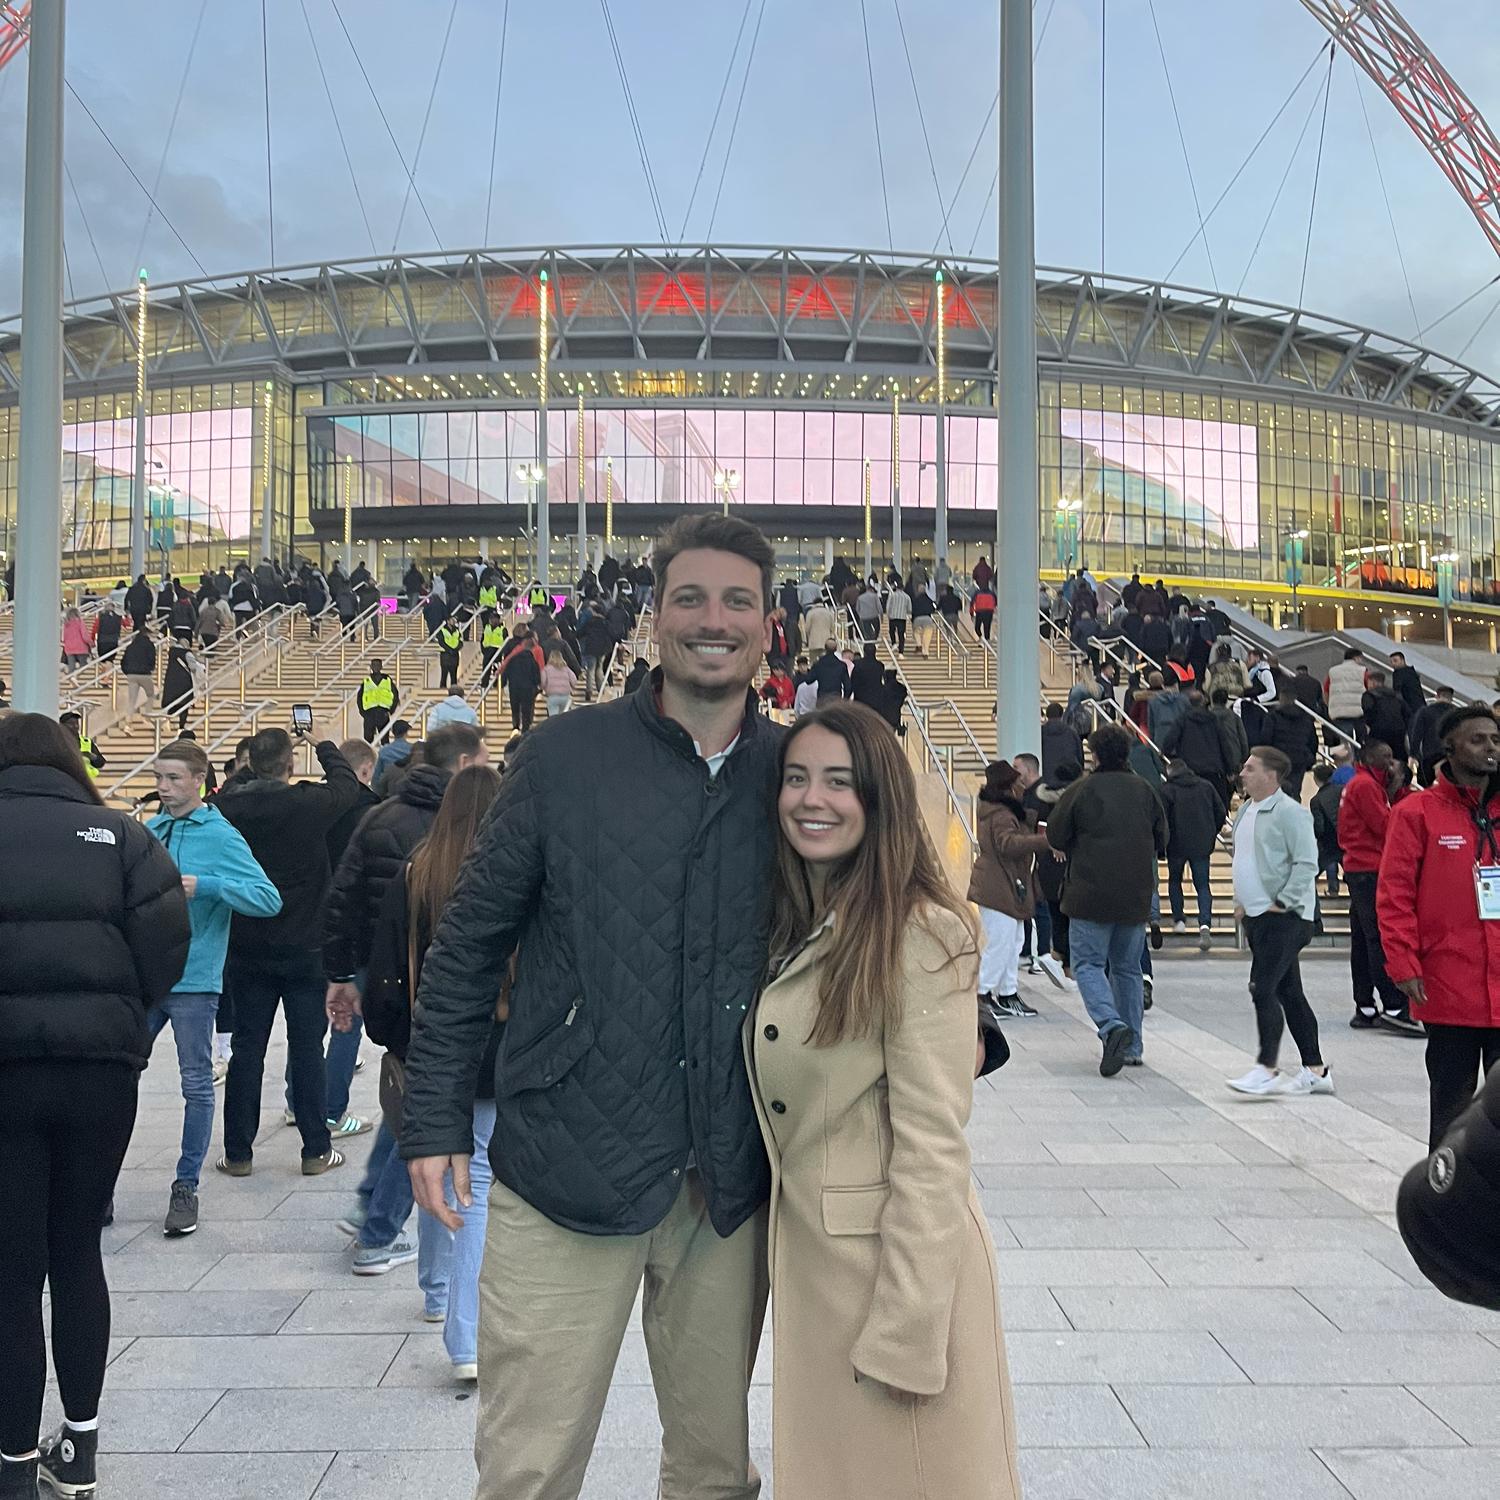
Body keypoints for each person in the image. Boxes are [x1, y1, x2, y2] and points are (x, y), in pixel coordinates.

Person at [399, 515, 788, 1500]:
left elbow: (880, 928)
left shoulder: (797, 775)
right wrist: (435, 1119)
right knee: (529, 1466)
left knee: (714, 1472)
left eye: (737, 600)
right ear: (654, 618)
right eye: (690, 597)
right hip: (566, 1166)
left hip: (727, 1181)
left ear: (769, 623)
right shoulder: (565, 758)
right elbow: (466, 950)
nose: (714, 619)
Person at [747, 700, 1023, 1499]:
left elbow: (936, 1142)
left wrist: (907, 1332)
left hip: (894, 1286)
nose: (811, 798)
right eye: (796, 778)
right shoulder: (801, 917)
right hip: (824, 1281)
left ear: (880, 798)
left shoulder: (921, 930)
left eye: (840, 781)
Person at [0, 714, 190, 1500]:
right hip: (98, 1072)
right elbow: (166, 946)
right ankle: (79, 1450)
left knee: (10, 1272)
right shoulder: (123, 837)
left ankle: (12, 1466)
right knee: (77, 1249)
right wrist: (121, 1015)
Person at [322, 724, 488, 1276]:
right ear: (465, 764)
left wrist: (342, 971)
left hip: (387, 975)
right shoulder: (463, 830)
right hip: (436, 986)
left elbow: (342, 897)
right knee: (425, 1119)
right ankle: (378, 1231)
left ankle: (370, 1200)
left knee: (405, 1105)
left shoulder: (382, 813)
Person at [361, 764, 504, 1379]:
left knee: (436, 1163)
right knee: (476, 1178)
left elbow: (387, 972)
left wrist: (397, 1039)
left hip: (429, 1043)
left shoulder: (417, 873)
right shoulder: (508, 870)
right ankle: (466, 1337)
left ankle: (437, 1290)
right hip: (495, 1046)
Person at [145, 739, 281, 1237]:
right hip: (144, 976)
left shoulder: (222, 834)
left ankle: (186, 1186)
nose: (164, 787)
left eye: (174, 778)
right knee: (114, 1078)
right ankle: (98, 1183)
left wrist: (208, 886)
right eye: (159, 777)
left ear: (199, 780)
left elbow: (267, 899)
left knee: (196, 1084)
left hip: (195, 980)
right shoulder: (150, 830)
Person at [215, 727, 363, 1176]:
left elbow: (230, 788)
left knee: (247, 1050)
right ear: (290, 764)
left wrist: (248, 770)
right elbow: (347, 785)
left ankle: (238, 1153)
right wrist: (322, 742)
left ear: (249, 762)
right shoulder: (306, 804)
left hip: (248, 945)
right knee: (306, 1049)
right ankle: (316, 1149)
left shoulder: (229, 807)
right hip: (306, 945)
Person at [1379, 705, 1500, 1148]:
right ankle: (1446, 1201)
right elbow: (1394, 894)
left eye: (1495, 740)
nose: (1490, 748)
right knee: (1451, 1108)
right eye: (1478, 740)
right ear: (1450, 748)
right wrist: (1403, 961)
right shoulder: (1418, 813)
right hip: (1449, 984)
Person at [1045, 725, 1167, 1075]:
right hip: (1135, 895)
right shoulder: (1145, 789)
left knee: (1088, 965)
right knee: (1128, 969)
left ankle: (1111, 1025)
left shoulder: (1083, 790)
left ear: (1095, 755)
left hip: (1089, 894)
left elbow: (1055, 832)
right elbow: (1163, 836)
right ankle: (1133, 1046)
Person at [1226, 746, 1332, 1097]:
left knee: (1262, 987)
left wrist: (1283, 901)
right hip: (1257, 917)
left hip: (1285, 917)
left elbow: (1306, 863)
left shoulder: (1290, 813)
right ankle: (1315, 1070)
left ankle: (1267, 1067)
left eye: (1250, 768)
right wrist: (1242, 902)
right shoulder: (1245, 811)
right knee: (1290, 992)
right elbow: (1243, 858)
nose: (1243, 773)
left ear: (1270, 775)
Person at [1339, 739, 1423, 1036]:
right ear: (1368, 756)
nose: (1390, 762)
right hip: (1368, 867)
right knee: (1377, 937)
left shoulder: (1366, 784)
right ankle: (1394, 1006)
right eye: (1385, 756)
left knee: (1363, 940)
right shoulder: (1365, 786)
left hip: (1359, 867)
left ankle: (1365, 1006)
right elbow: (1386, 825)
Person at [969, 758, 1050, 1022]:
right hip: (998, 885)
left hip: (1005, 883)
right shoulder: (1001, 814)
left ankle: (1007, 992)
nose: (1021, 786)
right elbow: (1007, 844)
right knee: (1000, 943)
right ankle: (981, 996)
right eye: (1017, 782)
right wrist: (1042, 841)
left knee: (1013, 941)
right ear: (1008, 786)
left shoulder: (1003, 810)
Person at [1160, 757, 1226, 951]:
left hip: (1176, 845)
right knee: (1203, 885)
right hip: (1201, 844)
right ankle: (1205, 923)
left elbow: (1162, 819)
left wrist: (1162, 843)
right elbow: (1220, 812)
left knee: (1174, 881)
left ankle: (1179, 919)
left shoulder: (1167, 790)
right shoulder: (1205, 787)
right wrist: (1211, 831)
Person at [1257, 687, 1318, 800]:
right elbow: (1313, 742)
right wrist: (1309, 760)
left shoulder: (1272, 717)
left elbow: (1265, 740)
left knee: (1275, 794)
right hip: (1299, 760)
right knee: (1295, 791)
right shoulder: (1306, 719)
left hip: (1278, 761)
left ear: (1281, 699)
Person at [1410, 684, 1456, 787]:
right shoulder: (1456, 713)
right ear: (1451, 698)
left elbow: (1416, 734)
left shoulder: (1425, 711)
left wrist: (1413, 754)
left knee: (1427, 786)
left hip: (1430, 754)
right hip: (1451, 756)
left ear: (1437, 696)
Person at [500, 627, 544, 734]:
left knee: (515, 708)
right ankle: (525, 729)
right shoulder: (532, 661)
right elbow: (537, 676)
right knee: (526, 709)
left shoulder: (514, 659)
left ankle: (515, 727)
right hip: (528, 689)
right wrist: (538, 686)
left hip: (514, 687)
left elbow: (506, 670)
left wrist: (503, 682)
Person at [1310, 763, 1344, 897]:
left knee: (1312, 873)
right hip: (1346, 839)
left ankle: (1332, 889)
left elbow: (1319, 828)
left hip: (1328, 843)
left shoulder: (1316, 800)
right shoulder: (1343, 790)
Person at [1361, 669, 1410, 763]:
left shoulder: (1369, 695)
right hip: (1398, 731)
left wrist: (1368, 724)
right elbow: (1407, 713)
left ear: (1373, 682)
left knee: (1377, 758)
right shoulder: (1396, 695)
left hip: (1378, 731)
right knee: (1398, 759)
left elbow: (1368, 710)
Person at [1326, 648, 1367, 743]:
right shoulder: (1363, 671)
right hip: (1359, 712)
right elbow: (1368, 687)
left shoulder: (1333, 671)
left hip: (1338, 712)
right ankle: (1359, 756)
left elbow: (1326, 690)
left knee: (1344, 742)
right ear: (1356, 658)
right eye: (1361, 658)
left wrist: (1330, 706)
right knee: (1360, 741)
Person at [161, 641, 198, 732]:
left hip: (171, 680)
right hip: (184, 681)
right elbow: (193, 667)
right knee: (184, 705)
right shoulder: (187, 653)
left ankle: (167, 721)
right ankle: (181, 727)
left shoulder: (171, 652)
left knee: (172, 702)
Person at [58, 711, 104, 781]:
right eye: (71, 724)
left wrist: (91, 756)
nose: (75, 726)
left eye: (77, 723)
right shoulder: (57, 741)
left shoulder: (86, 741)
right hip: (65, 780)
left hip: (86, 782)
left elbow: (100, 762)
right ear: (62, 725)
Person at [358, 659, 397, 742]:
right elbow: (359, 697)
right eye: (374, 665)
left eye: (378, 665)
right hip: (369, 713)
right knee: (368, 738)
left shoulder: (387, 680)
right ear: (371, 667)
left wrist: (391, 711)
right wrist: (363, 712)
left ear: (381, 667)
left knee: (384, 739)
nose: (376, 667)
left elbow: (395, 695)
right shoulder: (366, 681)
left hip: (383, 712)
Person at [373, 719, 414, 796]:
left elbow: (376, 776)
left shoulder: (384, 751)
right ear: (406, 733)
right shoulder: (412, 750)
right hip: (409, 791)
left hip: (389, 791)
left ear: (393, 732)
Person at [542, 648, 577, 718]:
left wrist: (544, 688)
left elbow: (543, 681)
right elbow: (574, 680)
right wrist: (572, 687)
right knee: (565, 718)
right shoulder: (566, 669)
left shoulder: (546, 669)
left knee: (553, 719)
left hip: (552, 696)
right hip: (566, 696)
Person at [849, 642, 884, 710]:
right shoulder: (880, 665)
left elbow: (853, 681)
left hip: (860, 699)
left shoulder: (857, 664)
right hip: (875, 699)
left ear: (864, 652)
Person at [1388, 650, 1425, 717]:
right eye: (1391, 662)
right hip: (1419, 705)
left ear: (1402, 660)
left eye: (1395, 661)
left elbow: (1397, 691)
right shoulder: (1411, 672)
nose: (1393, 664)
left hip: (1409, 707)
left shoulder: (1398, 674)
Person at [436, 616, 463, 691]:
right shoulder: (442, 630)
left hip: (454, 654)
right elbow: (441, 642)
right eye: (452, 620)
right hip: (445, 654)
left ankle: (454, 690)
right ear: (448, 621)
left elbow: (460, 642)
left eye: (454, 620)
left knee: (454, 674)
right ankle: (442, 688)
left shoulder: (457, 631)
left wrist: (456, 649)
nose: (454, 621)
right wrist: (449, 649)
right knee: (444, 673)